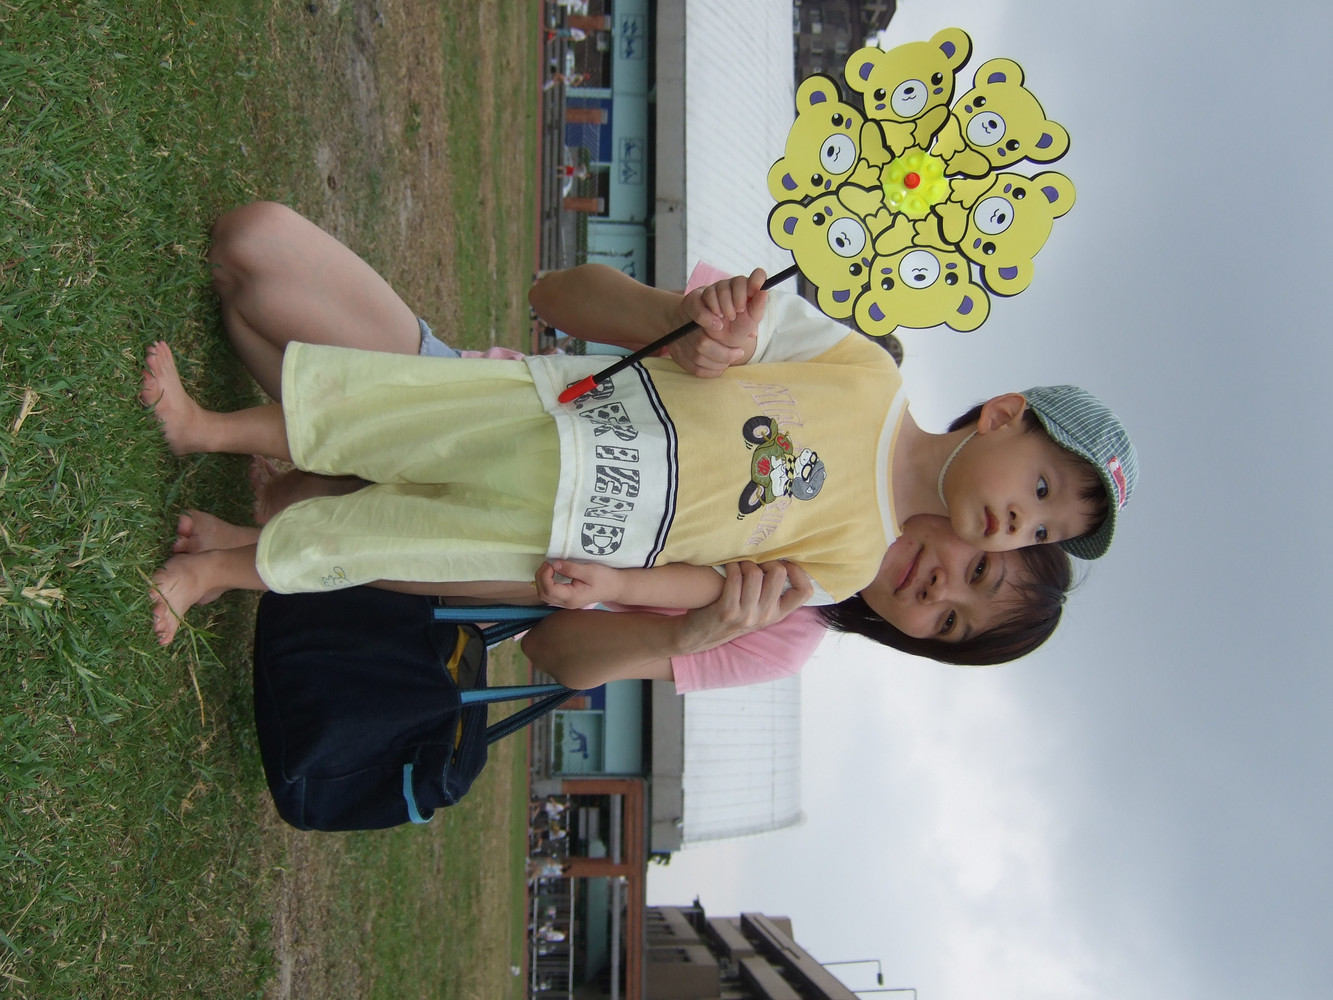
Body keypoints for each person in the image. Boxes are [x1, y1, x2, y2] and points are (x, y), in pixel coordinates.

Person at [159, 204, 1093, 671]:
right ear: (1001, 414)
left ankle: (227, 559)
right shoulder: (867, 371)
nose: (1015, 524)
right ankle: (213, 434)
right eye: (1039, 493)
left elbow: (686, 596)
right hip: (543, 410)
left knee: (373, 538)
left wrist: (637, 601)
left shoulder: (835, 577)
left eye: (1039, 531)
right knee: (364, 404)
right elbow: (593, 303)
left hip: (558, 534)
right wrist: (701, 327)